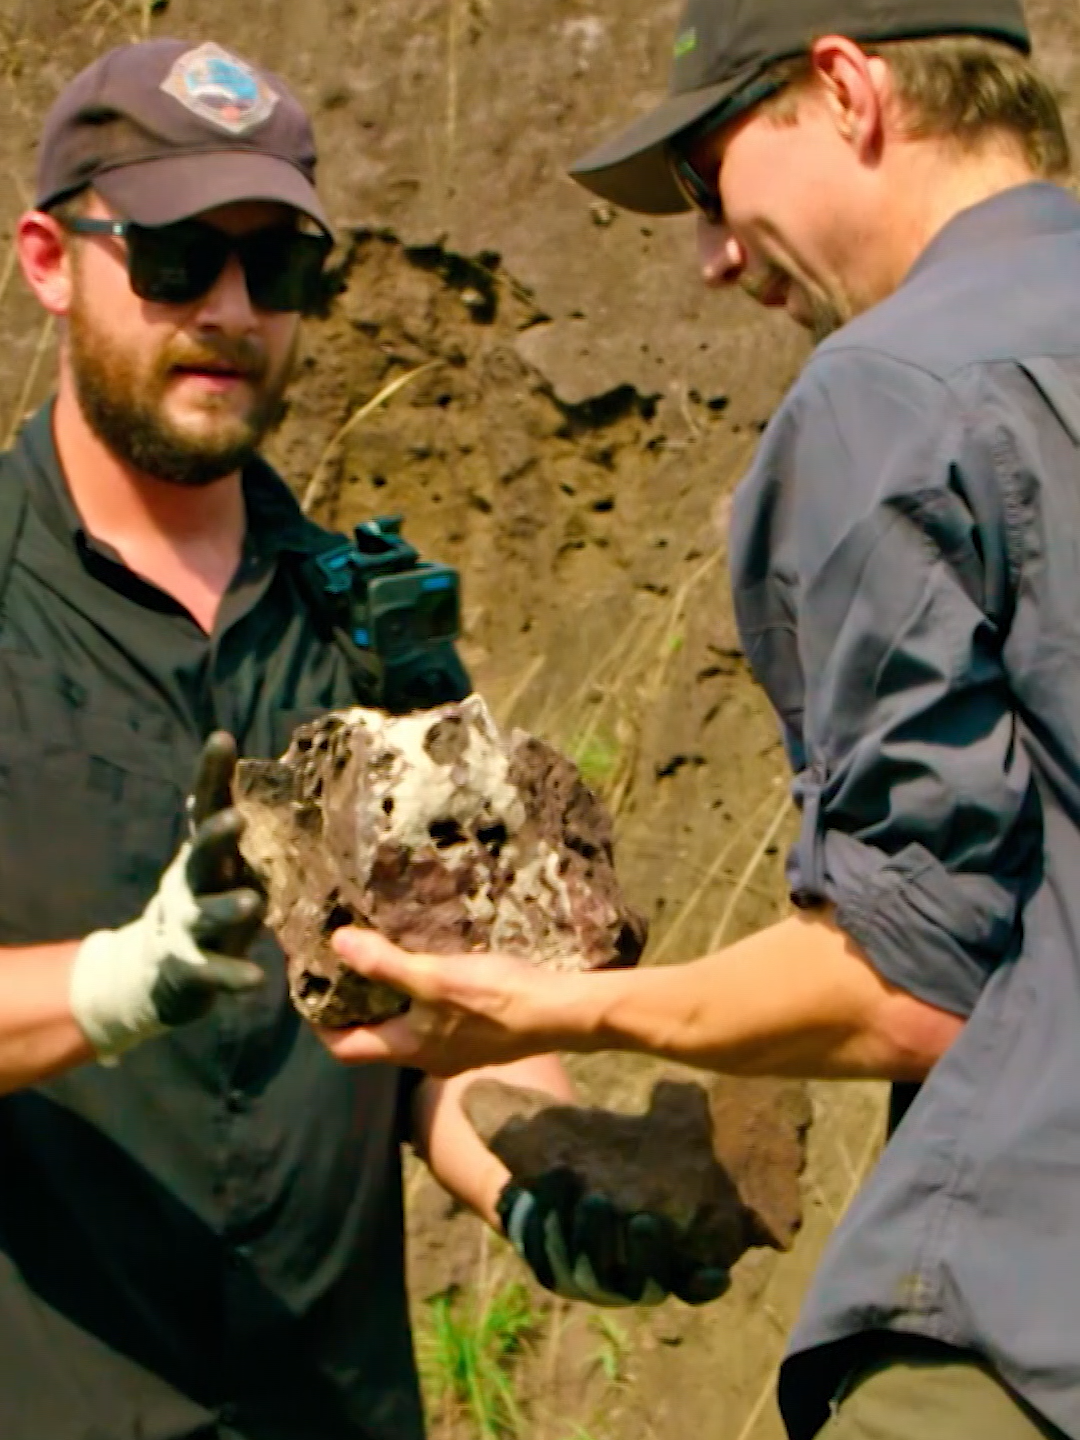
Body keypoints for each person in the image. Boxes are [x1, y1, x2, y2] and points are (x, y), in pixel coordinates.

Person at [319, 1, 1080, 1437]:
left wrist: (552, 1010)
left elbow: (910, 983)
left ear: (846, 90)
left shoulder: (892, 390)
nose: (715, 255)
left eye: (706, 176)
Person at [0, 37, 719, 1440]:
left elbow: (464, 1029)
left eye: (275, 271)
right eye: (173, 259)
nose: (227, 310)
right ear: (48, 257)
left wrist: (550, 1190)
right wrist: (116, 983)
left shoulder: (379, 636)